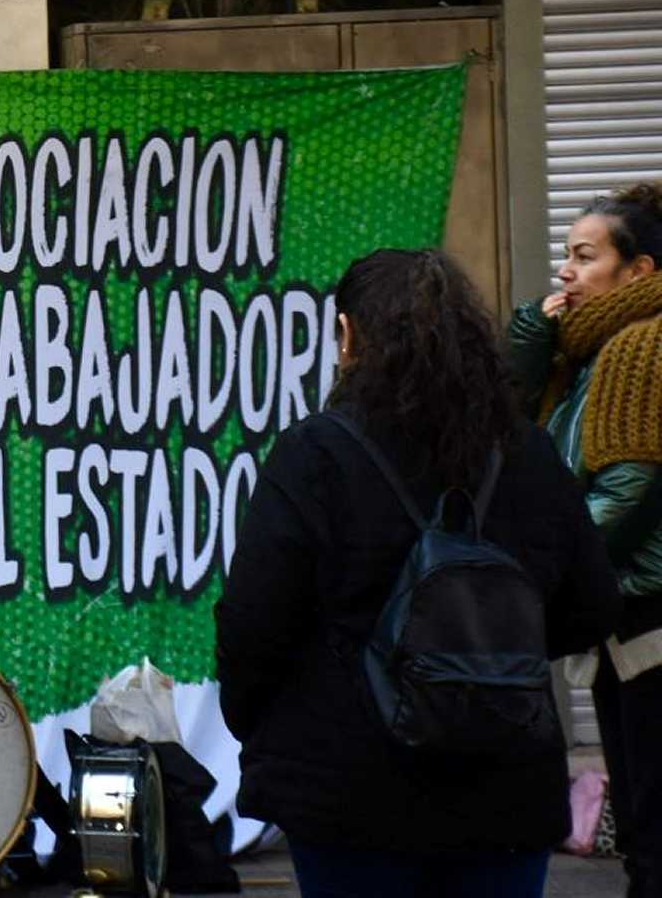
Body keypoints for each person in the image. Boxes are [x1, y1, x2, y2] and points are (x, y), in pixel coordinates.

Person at [216, 249, 621, 898]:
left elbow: (253, 622)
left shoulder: (315, 452)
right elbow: (592, 607)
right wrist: (486, 648)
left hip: (349, 788)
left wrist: (264, 725)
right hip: (505, 786)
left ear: (348, 334)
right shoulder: (530, 452)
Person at [508, 181, 662, 898]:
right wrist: (535, 336)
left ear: (640, 272)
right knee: (638, 828)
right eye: (564, 254)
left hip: (652, 627)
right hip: (616, 624)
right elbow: (503, 422)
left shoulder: (645, 348)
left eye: (584, 254)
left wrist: (540, 573)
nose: (565, 270)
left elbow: (626, 491)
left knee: (654, 832)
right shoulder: (585, 357)